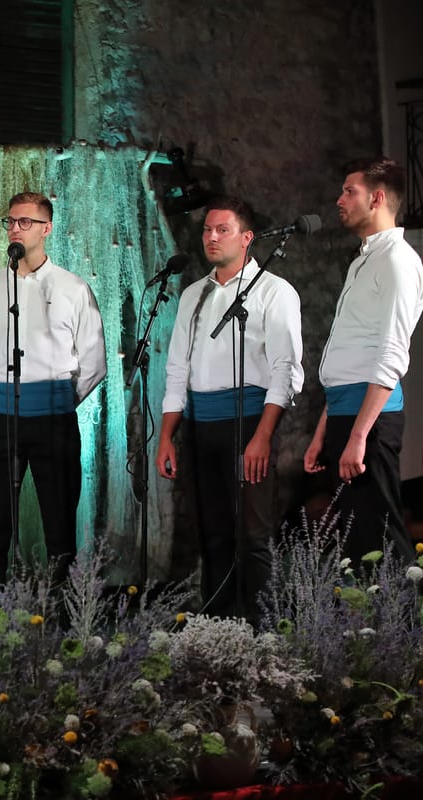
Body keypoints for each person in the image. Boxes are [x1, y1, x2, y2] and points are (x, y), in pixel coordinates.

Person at [157, 196, 303, 620]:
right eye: (207, 230)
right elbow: (177, 368)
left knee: (253, 534)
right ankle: (217, 629)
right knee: (212, 533)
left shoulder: (274, 291)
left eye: (223, 230)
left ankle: (262, 627)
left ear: (247, 238)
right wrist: (167, 436)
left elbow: (286, 370)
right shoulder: (194, 295)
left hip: (249, 421)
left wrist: (262, 436)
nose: (212, 237)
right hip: (200, 426)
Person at [0, 191, 105, 592]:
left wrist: (58, 399)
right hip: (1, 418)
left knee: (60, 529)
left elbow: (94, 363)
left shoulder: (72, 288)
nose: (15, 228)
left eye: (25, 222)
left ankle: (62, 615)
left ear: (47, 229)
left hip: (54, 418)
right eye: (10, 221)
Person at [305, 158, 423, 560]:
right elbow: (349, 356)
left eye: (348, 191)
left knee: (382, 540)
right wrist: (323, 432)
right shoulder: (363, 260)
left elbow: (392, 353)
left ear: (376, 198)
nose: (339, 200)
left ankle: (404, 604)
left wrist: (358, 437)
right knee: (358, 545)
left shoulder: (397, 259)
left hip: (369, 422)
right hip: (346, 412)